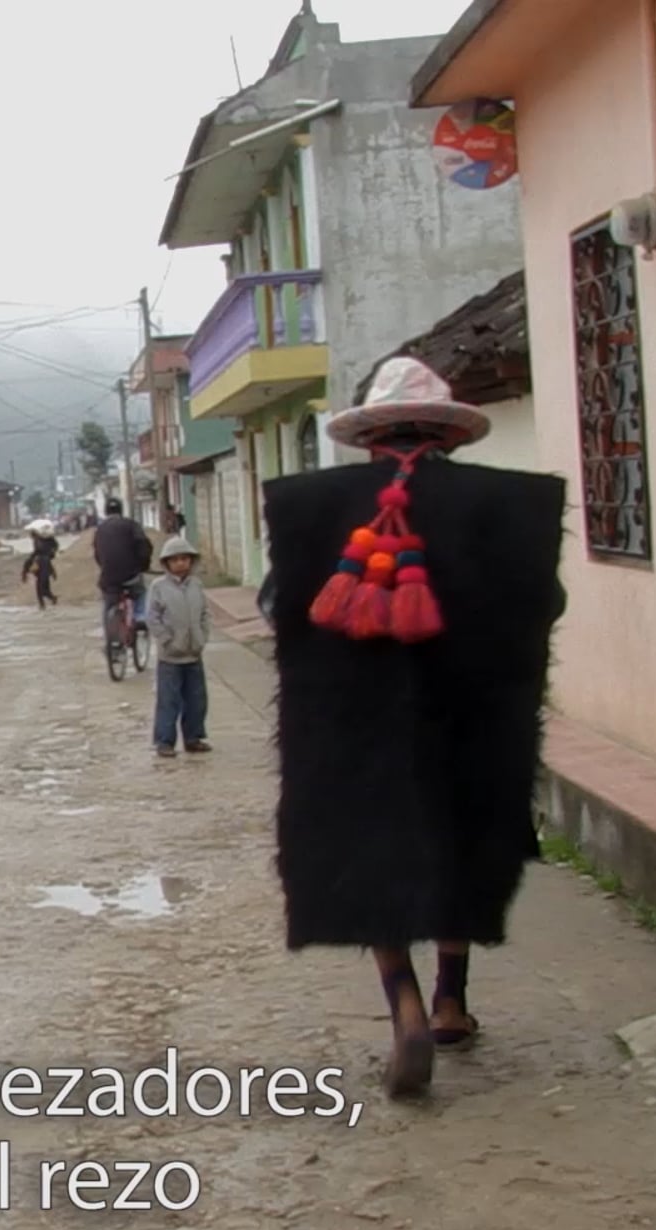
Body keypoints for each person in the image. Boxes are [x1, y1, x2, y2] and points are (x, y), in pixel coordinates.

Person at [262, 356, 566, 1098]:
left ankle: (402, 1002)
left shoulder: (313, 505)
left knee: (371, 853)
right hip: (469, 718)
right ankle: (451, 1000)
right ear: (448, 436)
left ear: (371, 440)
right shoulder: (505, 504)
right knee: (462, 840)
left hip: (351, 724)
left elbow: (279, 606)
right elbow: (544, 604)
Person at [144, 535, 215, 758]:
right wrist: (167, 640)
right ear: (166, 563)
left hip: (194, 654)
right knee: (169, 701)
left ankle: (193, 738)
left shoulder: (196, 585)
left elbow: (205, 613)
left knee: (196, 699)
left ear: (191, 561)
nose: (180, 564)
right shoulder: (158, 587)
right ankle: (164, 742)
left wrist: (202, 637)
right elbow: (152, 618)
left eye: (184, 559)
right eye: (175, 560)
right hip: (170, 657)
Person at [92, 499, 153, 640]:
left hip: (109, 579)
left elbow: (97, 554)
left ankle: (110, 639)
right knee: (140, 592)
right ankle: (140, 617)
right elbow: (144, 547)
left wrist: (106, 567)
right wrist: (144, 566)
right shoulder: (131, 525)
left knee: (108, 605)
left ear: (106, 512)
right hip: (131, 575)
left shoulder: (100, 530)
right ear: (121, 510)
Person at [22, 526, 60, 609]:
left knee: (42, 589)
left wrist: (24, 574)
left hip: (43, 572)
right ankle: (45, 603)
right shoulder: (45, 548)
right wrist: (53, 573)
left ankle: (49, 600)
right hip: (42, 572)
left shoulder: (40, 546)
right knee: (42, 589)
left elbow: (30, 560)